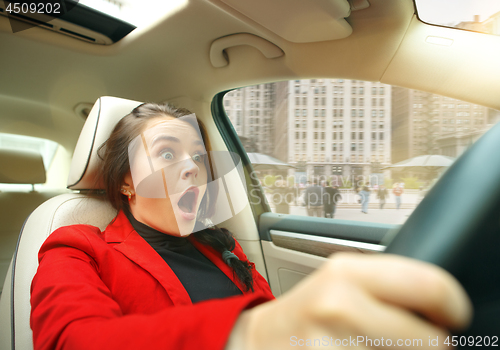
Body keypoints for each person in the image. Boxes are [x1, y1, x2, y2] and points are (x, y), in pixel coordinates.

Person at [30, 103, 472, 350]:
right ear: (127, 180)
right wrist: (252, 333)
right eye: (167, 154)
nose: (193, 169)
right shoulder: (76, 245)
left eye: (198, 156)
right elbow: (74, 340)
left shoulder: (223, 245)